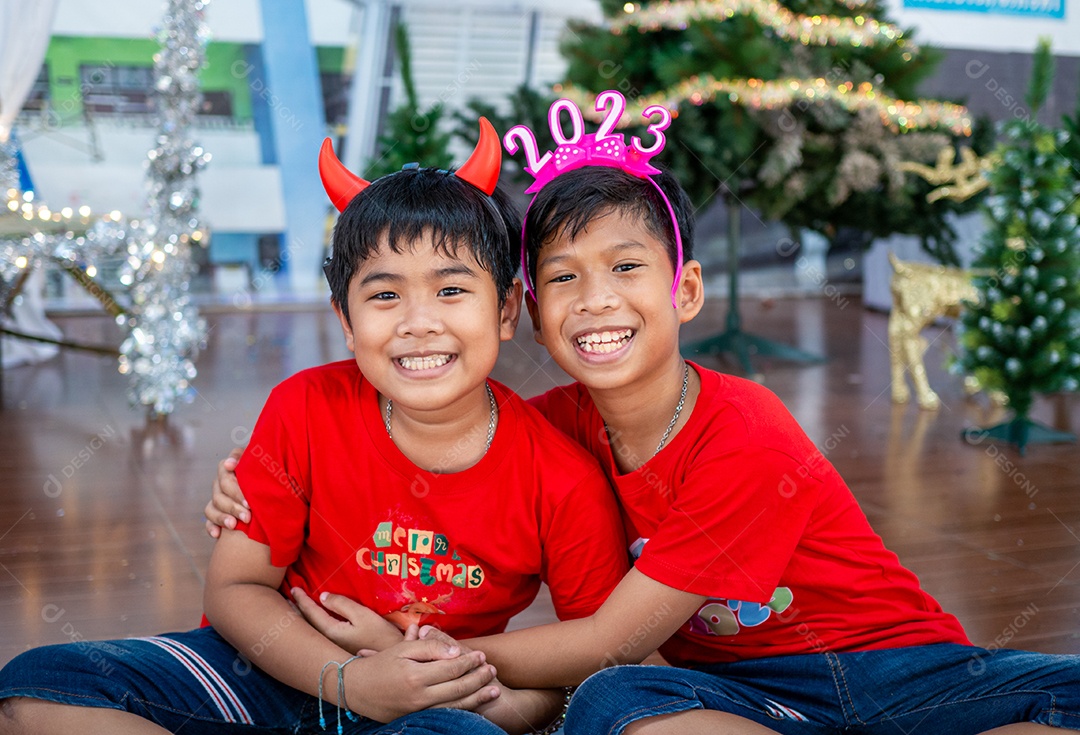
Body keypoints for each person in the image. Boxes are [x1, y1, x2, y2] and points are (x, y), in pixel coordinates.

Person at [206, 96, 1080, 734]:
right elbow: (441, 438)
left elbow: (616, 635)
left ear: (685, 288)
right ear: (531, 314)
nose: (595, 302)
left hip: (887, 667)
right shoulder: (552, 426)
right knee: (615, 701)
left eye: (627, 268)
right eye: (562, 278)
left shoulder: (745, 429)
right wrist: (255, 477)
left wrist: (411, 657)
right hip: (737, 695)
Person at [0, 119, 628, 735]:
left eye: (451, 290)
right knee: (37, 686)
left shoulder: (562, 477)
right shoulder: (305, 407)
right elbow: (236, 588)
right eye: (384, 297)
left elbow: (586, 659)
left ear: (507, 308)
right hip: (270, 671)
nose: (417, 322)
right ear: (346, 320)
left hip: (427, 703)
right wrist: (347, 682)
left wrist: (502, 709)